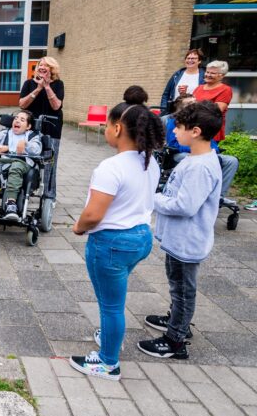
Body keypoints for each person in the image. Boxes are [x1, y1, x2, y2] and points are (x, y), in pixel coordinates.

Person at [69, 98, 164, 381]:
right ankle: (109, 334)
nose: (106, 128)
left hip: (111, 243)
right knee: (113, 300)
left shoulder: (111, 167)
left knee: (111, 306)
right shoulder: (150, 161)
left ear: (118, 127)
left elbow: (94, 213)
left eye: (107, 124)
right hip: (141, 238)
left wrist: (78, 227)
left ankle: (108, 363)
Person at [137, 101, 223, 360]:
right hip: (179, 239)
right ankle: (176, 320)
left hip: (188, 241)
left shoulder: (201, 167)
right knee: (178, 286)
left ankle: (176, 339)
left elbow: (185, 206)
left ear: (195, 131)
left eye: (179, 127)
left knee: (183, 290)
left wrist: (153, 199)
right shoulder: (195, 160)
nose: (174, 131)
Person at [166, 94, 239, 204]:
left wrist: (212, 151)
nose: (194, 105)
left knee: (231, 161)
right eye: (190, 103)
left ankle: (218, 196)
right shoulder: (174, 122)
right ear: (180, 107)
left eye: (195, 102)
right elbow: (174, 144)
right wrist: (195, 150)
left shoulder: (202, 121)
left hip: (204, 152)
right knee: (189, 159)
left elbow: (210, 140)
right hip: (182, 152)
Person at [19, 57, 64, 201]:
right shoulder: (29, 83)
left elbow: (56, 106)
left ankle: (49, 196)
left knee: (50, 162)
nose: (42, 67)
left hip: (52, 128)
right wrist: (38, 88)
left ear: (52, 69)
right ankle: (26, 190)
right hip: (31, 128)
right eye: (40, 65)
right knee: (28, 159)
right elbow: (22, 105)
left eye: (46, 65)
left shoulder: (58, 84)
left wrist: (47, 86)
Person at [193, 60, 232, 144]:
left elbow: (216, 110)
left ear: (222, 76)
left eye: (213, 73)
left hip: (210, 128)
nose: (208, 75)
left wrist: (194, 109)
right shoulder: (199, 88)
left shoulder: (225, 89)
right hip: (195, 126)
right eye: (207, 72)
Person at [160, 48, 205, 115]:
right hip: (174, 111)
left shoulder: (204, 76)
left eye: (193, 58)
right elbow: (166, 94)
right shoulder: (177, 75)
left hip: (193, 113)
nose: (190, 60)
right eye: (188, 58)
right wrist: (164, 110)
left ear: (199, 61)